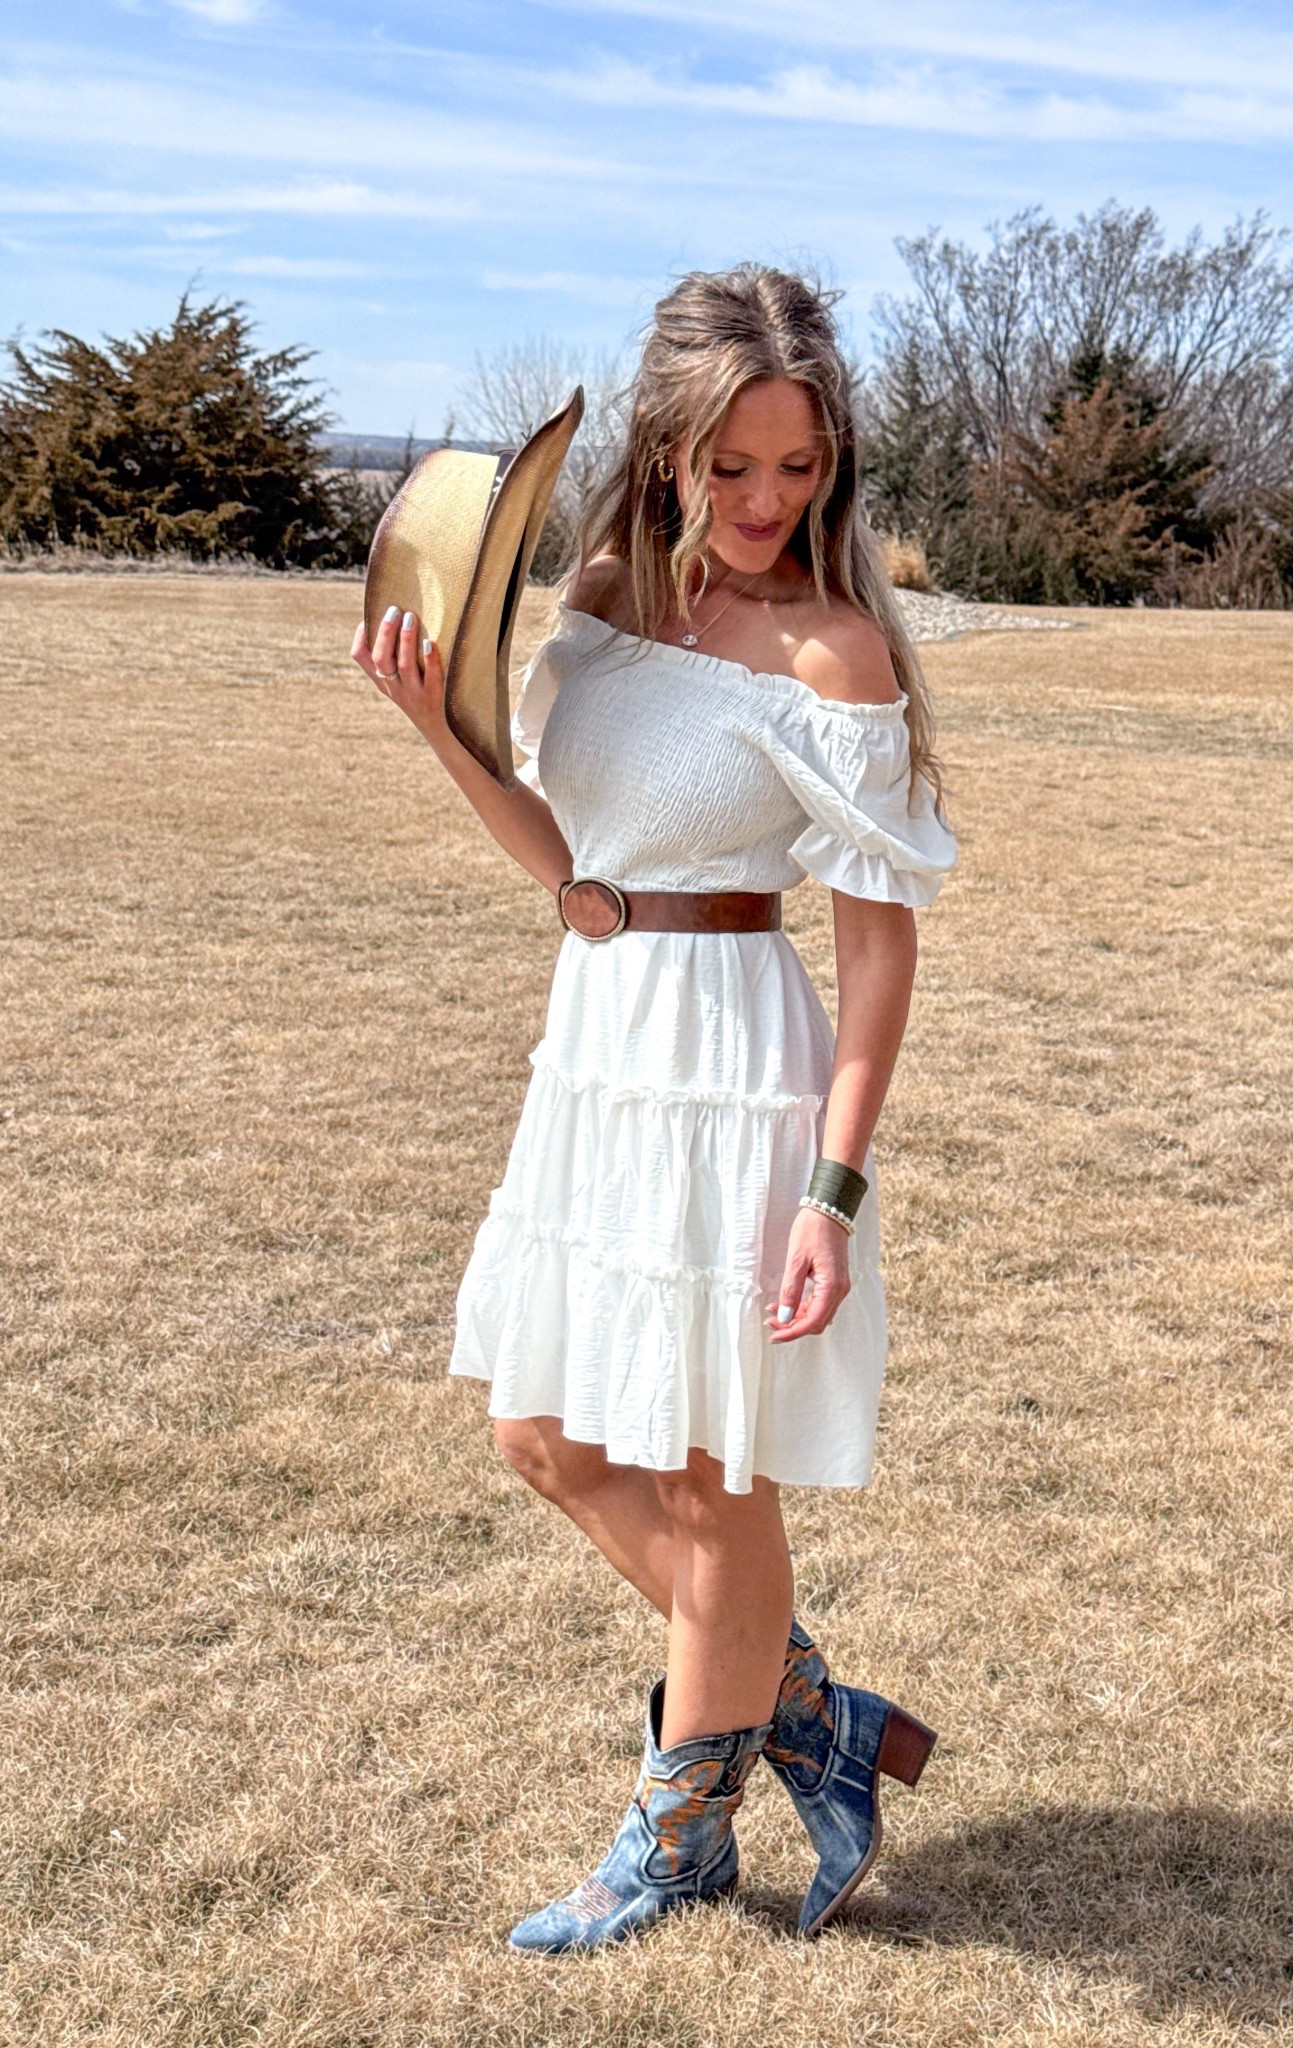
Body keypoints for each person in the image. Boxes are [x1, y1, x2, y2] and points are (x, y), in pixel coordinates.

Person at [351, 264, 958, 1953]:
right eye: (735, 466)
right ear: (669, 446)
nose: (768, 504)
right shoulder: (608, 591)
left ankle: (680, 1840)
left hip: (735, 1074)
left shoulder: (834, 653)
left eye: (802, 469)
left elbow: (879, 946)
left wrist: (831, 1193)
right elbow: (575, 876)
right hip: (601, 1043)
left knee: (708, 1476)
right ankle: (811, 1717)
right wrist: (440, 734)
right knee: (542, 1430)